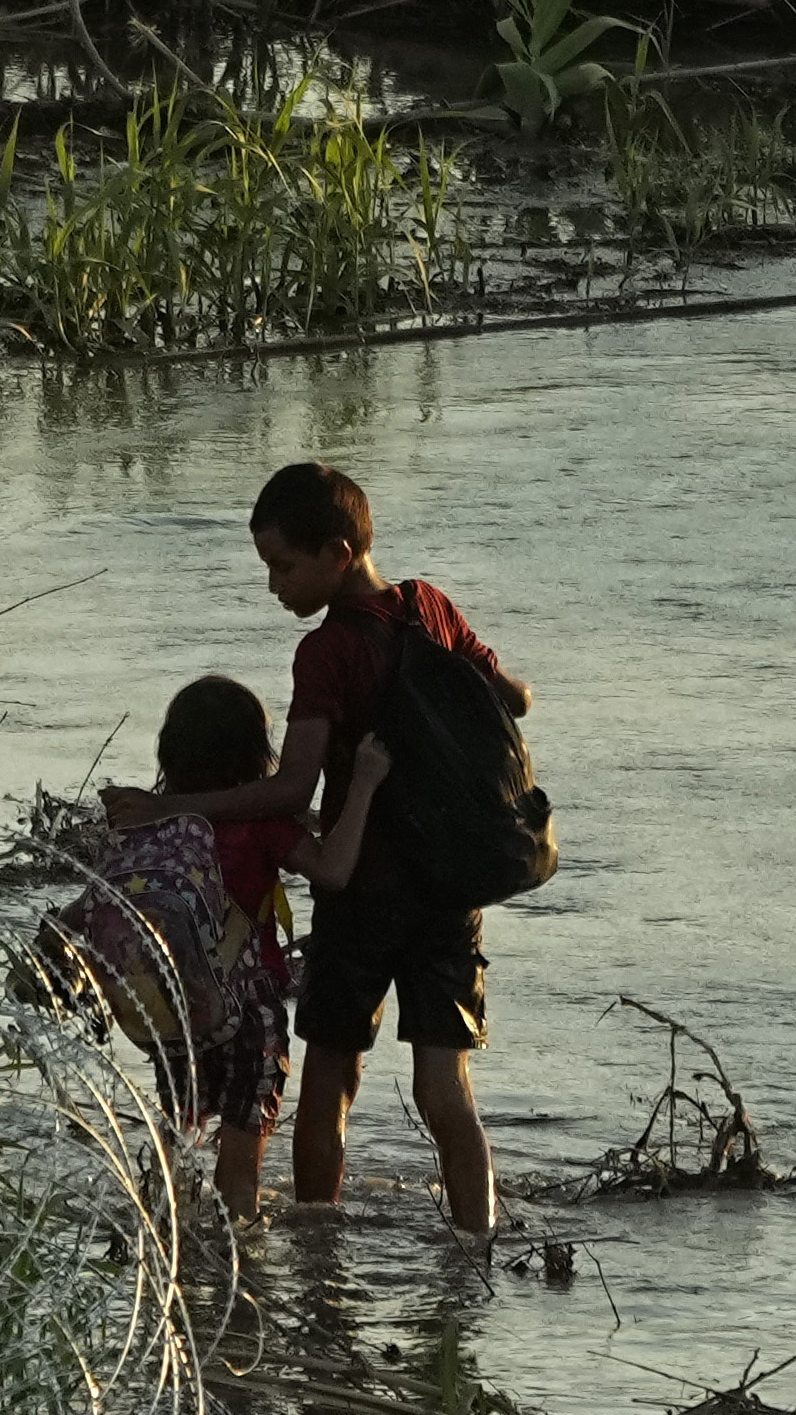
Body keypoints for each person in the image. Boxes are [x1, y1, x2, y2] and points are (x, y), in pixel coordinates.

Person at [110, 459, 528, 1230]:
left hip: (362, 888)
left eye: (283, 565)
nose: (275, 585)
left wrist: (169, 806)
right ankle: (477, 1251)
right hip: (451, 888)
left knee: (331, 1076)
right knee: (447, 1089)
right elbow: (515, 698)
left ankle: (318, 1243)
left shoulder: (327, 652)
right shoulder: (430, 605)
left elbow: (289, 790)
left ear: (338, 554)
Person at [61, 674, 389, 1225]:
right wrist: (364, 784)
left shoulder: (145, 822)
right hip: (246, 1008)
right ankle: (241, 1281)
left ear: (170, 750)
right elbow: (333, 871)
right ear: (256, 754)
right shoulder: (261, 824)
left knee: (178, 1146)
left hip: (173, 1010)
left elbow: (92, 904)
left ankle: (171, 1261)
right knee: (240, 1161)